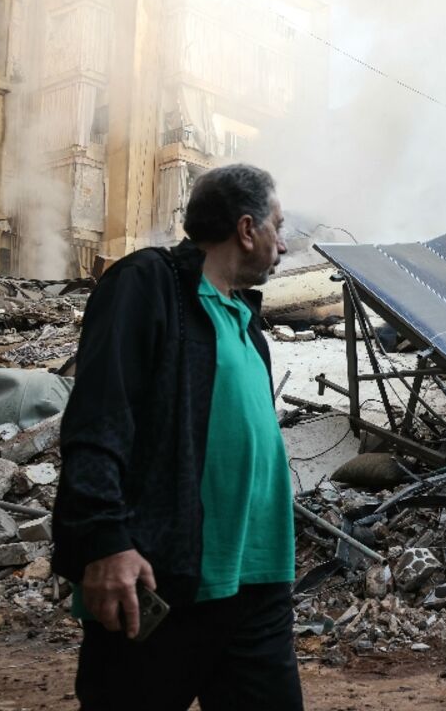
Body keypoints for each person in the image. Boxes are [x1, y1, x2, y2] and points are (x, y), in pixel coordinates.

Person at [52, 164, 302, 710]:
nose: (283, 245)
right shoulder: (150, 283)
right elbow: (99, 418)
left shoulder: (244, 318)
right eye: (277, 227)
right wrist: (105, 540)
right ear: (245, 229)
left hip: (259, 587)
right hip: (161, 582)